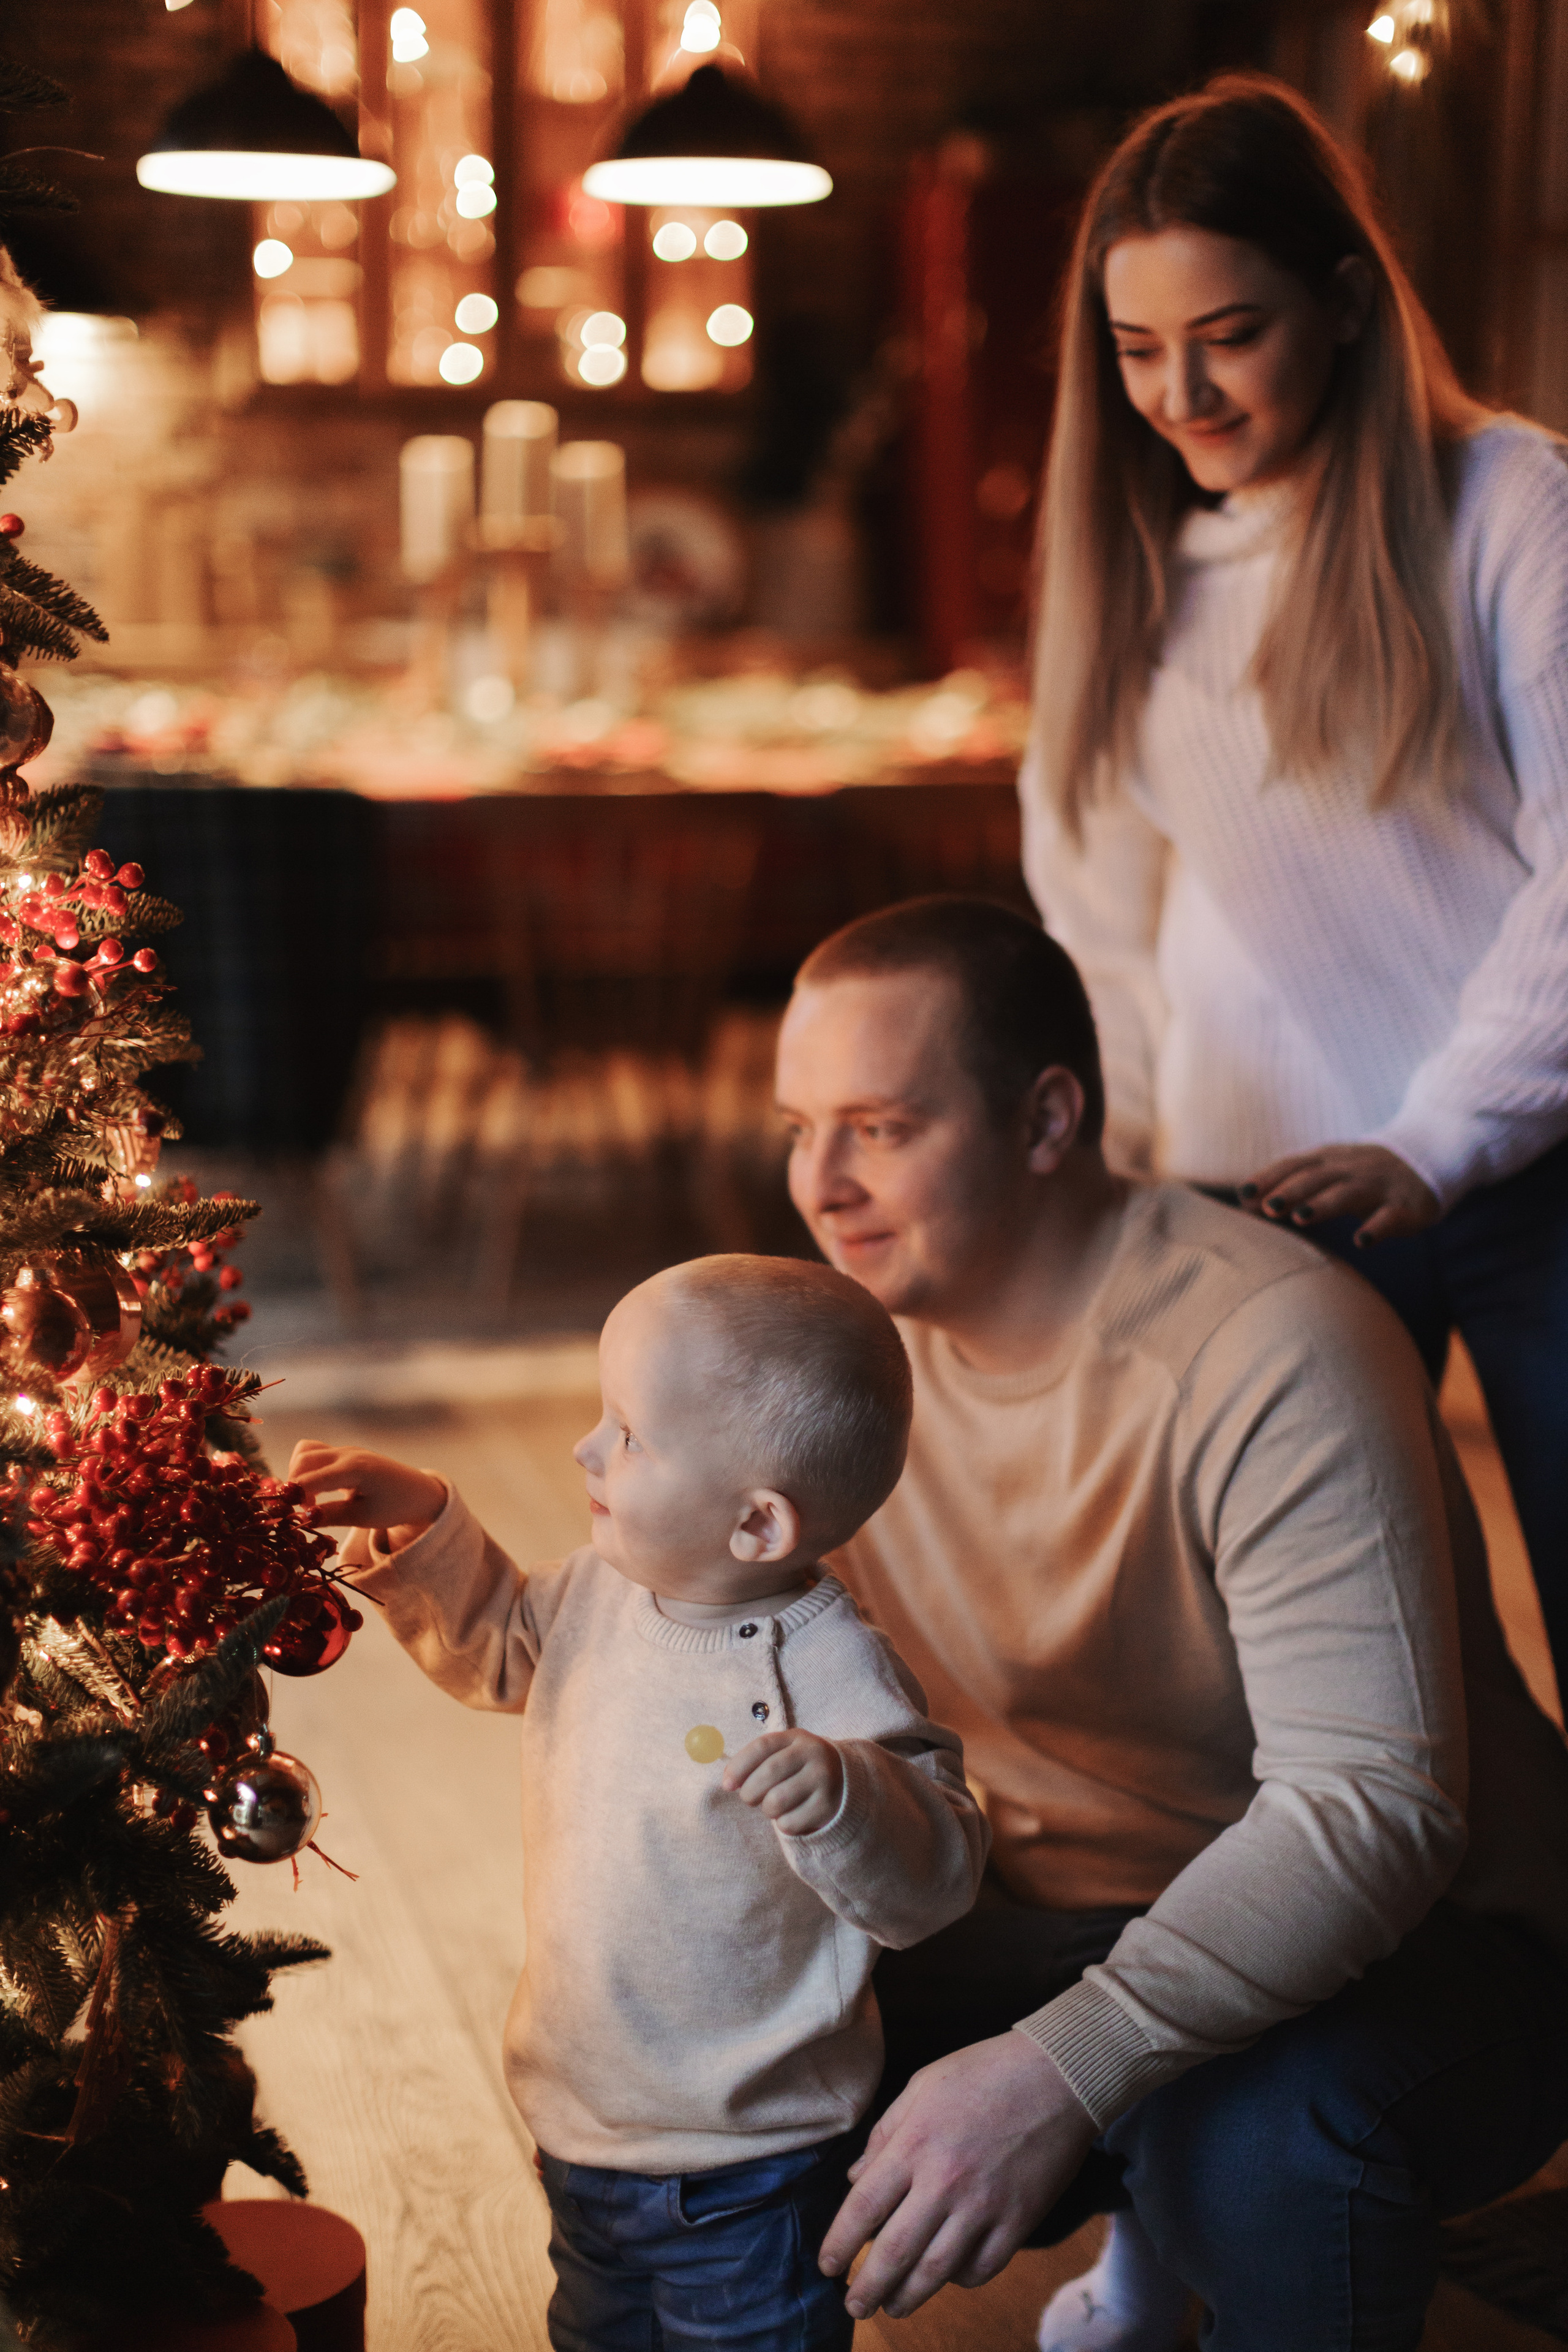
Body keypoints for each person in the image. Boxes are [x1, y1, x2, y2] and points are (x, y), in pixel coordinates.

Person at [771, 894, 1568, 2352]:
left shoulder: (1269, 1342)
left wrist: (1055, 2073)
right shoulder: (841, 1363)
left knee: (1258, 2152)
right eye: (798, 1126)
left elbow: (1372, 1812)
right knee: (735, 2052)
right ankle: (1150, 2196)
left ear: (1046, 1117)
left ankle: (1179, 2194)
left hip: (1436, 1946)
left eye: (879, 1126)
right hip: (1062, 1913)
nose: (820, 1183)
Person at [1018, 72, 1568, 1707]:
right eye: (1135, 350)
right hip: (1282, 1207)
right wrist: (1111, 1171)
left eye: (1229, 333)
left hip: (1535, 1172)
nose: (1180, 391)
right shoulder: (1134, 569)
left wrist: (1441, 1137)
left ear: (1343, 302)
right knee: (1337, 1686)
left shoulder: (1509, 506)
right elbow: (1102, 920)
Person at [290, 1253, 988, 2352]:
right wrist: (426, 1520)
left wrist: (851, 1795)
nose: (587, 1448)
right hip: (580, 2123)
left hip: (748, 2169)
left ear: (757, 1527)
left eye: (629, 1434)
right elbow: (503, 1648)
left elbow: (939, 1875)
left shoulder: (839, 1674)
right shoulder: (602, 1593)